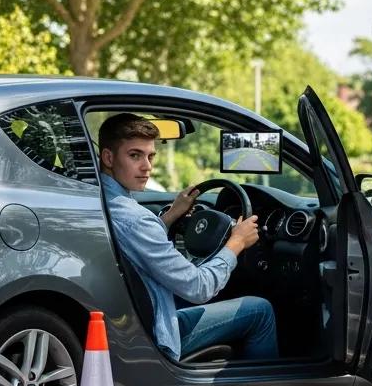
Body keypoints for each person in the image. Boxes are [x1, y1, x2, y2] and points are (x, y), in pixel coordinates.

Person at [97, 113, 279, 362]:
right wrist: (236, 243)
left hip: (131, 321)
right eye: (135, 155)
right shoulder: (135, 218)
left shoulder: (102, 201)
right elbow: (199, 287)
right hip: (156, 333)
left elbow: (136, 241)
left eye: (150, 156)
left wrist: (171, 215)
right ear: (108, 157)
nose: (147, 167)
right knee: (260, 310)